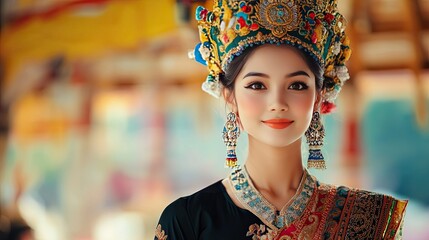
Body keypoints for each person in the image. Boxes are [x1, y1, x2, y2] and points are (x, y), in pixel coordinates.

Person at [155, 0, 408, 239]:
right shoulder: (187, 221)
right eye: (257, 85)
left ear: (319, 97)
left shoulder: (370, 219)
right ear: (229, 97)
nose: (277, 103)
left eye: (297, 85)